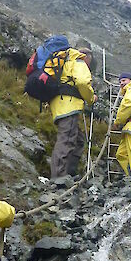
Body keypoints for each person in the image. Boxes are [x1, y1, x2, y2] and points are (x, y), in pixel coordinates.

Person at [49, 47, 97, 178]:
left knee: (78, 140)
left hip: (60, 104)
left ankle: (69, 173)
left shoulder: (66, 63)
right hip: (68, 105)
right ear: (86, 57)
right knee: (67, 140)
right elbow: (82, 82)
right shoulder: (78, 62)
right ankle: (58, 178)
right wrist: (91, 98)